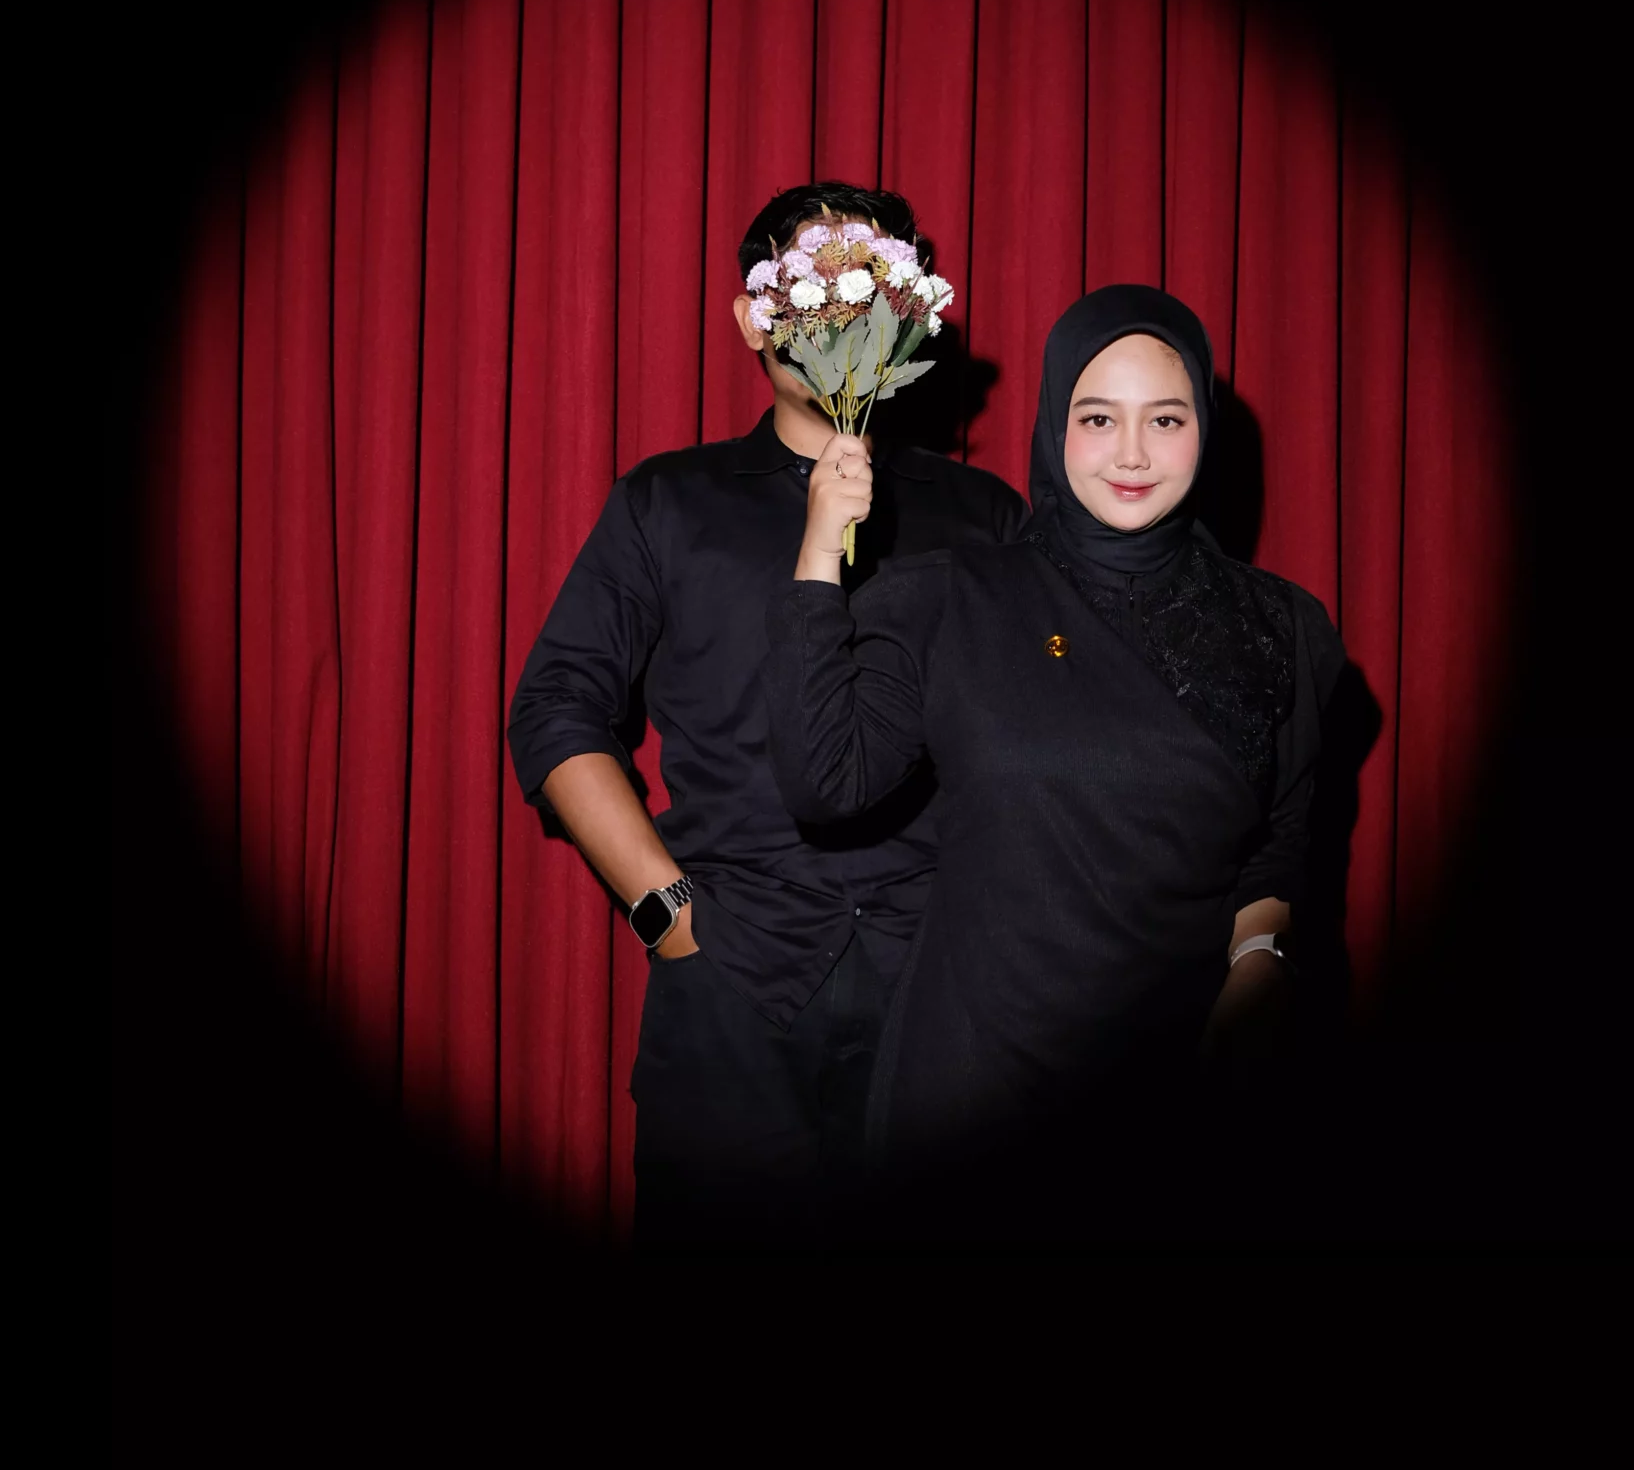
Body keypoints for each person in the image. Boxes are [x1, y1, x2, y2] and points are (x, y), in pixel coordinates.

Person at [762, 283, 1349, 1249]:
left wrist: (1259, 963)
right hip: (971, 1093)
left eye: (1165, 419)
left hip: (1181, 1084)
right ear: (1054, 427)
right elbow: (826, 781)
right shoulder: (955, 597)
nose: (1132, 454)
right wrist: (821, 547)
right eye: (1098, 418)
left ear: (1203, 429)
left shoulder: (1283, 627)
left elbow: (1278, 846)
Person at [506, 183, 1026, 1252]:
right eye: (810, 278)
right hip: (732, 990)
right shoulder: (667, 501)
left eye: (863, 280)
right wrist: (669, 917)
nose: (836, 307)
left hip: (939, 996)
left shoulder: (983, 515)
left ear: (904, 310)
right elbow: (556, 709)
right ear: (753, 315)